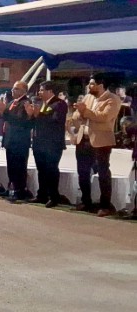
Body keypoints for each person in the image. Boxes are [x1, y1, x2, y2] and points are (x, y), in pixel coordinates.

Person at [74, 73, 122, 216]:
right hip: (83, 139)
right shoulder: (88, 97)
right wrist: (81, 112)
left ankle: (105, 205)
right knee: (82, 172)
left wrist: (85, 111)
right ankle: (86, 201)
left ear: (101, 85)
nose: (90, 86)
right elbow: (76, 115)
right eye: (89, 83)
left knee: (102, 173)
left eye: (92, 83)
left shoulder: (113, 99)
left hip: (101, 141)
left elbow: (105, 117)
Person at [30, 81, 68, 208]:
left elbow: (56, 120)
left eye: (42, 90)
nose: (39, 92)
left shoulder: (59, 104)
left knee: (51, 169)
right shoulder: (40, 103)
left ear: (50, 91)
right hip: (39, 142)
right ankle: (42, 194)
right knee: (41, 169)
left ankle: (54, 196)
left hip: (52, 143)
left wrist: (38, 115)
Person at [0, 81, 34, 203]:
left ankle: (20, 190)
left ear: (24, 91)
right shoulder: (12, 102)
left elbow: (20, 120)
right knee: (11, 166)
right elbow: (6, 118)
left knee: (19, 167)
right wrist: (0, 113)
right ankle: (11, 187)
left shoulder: (25, 103)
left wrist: (4, 112)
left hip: (20, 140)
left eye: (16, 88)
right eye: (13, 88)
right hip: (10, 139)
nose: (13, 91)